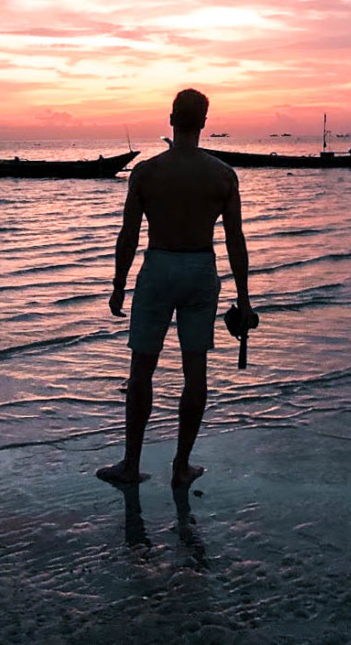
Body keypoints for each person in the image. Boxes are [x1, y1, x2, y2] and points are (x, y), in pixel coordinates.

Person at [97, 88, 257, 488]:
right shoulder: (222, 175)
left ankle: (131, 465)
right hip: (201, 269)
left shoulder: (147, 172)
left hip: (158, 267)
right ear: (203, 122)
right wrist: (245, 296)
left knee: (141, 370)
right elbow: (235, 240)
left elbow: (128, 234)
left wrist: (118, 284)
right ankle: (180, 467)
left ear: (171, 119)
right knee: (195, 372)